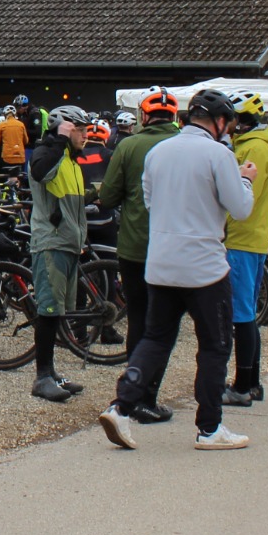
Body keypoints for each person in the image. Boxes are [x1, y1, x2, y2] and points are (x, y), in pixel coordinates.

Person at [99, 89, 257, 452]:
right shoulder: (219, 154)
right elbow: (240, 208)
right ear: (219, 122)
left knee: (155, 338)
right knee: (215, 345)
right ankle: (209, 428)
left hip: (161, 260)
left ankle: (121, 407)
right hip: (204, 264)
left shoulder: (158, 152)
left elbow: (149, 201)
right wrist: (246, 179)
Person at [94, 86, 183, 424]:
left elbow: (109, 197)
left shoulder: (128, 146)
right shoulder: (185, 145)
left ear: (144, 116)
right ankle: (149, 397)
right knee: (165, 325)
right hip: (174, 248)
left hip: (135, 247)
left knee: (138, 320)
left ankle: (133, 394)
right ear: (174, 116)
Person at [27, 104, 92, 403]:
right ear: (64, 129)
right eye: (79, 130)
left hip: (67, 243)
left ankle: (51, 372)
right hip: (51, 242)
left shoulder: (72, 161)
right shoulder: (48, 152)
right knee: (48, 311)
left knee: (57, 313)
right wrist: (60, 138)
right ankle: (42, 377)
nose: (85, 136)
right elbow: (40, 172)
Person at [223, 92, 268, 405]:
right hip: (253, 237)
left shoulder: (252, 148)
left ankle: (243, 386)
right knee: (246, 313)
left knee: (241, 314)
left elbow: (240, 197)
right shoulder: (258, 144)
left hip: (241, 238)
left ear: (239, 119)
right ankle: (252, 382)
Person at [0, 105, 29, 178]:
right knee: (19, 177)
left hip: (7, 158)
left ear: (5, 114)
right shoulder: (21, 125)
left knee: (6, 177)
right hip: (20, 157)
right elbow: (26, 141)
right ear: (15, 114)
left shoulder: (1, 125)